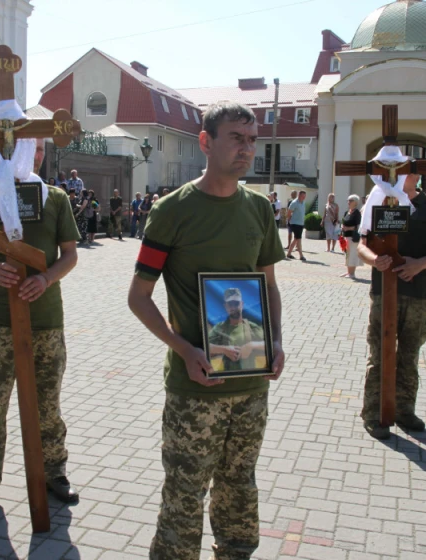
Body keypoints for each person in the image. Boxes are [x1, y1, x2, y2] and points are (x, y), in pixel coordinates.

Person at [128, 101, 285, 560]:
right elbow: (138, 297)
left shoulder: (258, 209)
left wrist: (274, 341)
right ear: (206, 141)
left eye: (252, 140)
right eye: (236, 138)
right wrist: (183, 350)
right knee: (183, 496)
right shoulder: (171, 211)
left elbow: (269, 286)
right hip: (195, 388)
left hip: (251, 383)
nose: (247, 149)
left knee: (240, 486)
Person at [0, 139, 81, 518]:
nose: (35, 155)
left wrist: (45, 280)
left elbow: (70, 255)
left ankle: (54, 472)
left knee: (48, 406)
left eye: (40, 148)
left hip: (46, 322)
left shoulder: (56, 198)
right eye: (28, 147)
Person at [357, 173, 426, 440]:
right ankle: (374, 414)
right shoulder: (379, 201)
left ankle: (404, 410)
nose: (402, 176)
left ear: (418, 176)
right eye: (396, 171)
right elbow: (362, 245)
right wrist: (374, 260)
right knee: (378, 353)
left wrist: (419, 264)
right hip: (383, 293)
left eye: (407, 171)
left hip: (419, 293)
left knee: (409, 354)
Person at [208, 288, 266, 372]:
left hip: (249, 377)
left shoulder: (251, 327)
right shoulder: (219, 328)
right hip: (226, 378)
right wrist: (224, 349)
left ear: (242, 304)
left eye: (236, 304)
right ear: (225, 306)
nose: (233, 308)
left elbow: (268, 345)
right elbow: (205, 348)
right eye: (230, 304)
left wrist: (251, 345)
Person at [340, 194, 362, 279]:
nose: (348, 202)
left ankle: (352, 273)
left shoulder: (357, 213)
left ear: (355, 202)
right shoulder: (347, 212)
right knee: (347, 255)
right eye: (348, 200)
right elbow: (343, 221)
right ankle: (348, 272)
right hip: (345, 237)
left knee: (352, 255)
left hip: (353, 237)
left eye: (351, 200)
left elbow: (358, 226)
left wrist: (348, 228)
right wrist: (342, 226)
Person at [286, 190, 307, 261]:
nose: (304, 198)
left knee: (296, 239)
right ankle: (301, 255)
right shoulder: (294, 203)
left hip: (301, 223)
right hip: (295, 223)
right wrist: (290, 220)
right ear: (299, 195)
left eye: (304, 196)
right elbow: (289, 212)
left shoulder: (303, 202)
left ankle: (288, 253)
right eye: (302, 196)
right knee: (298, 239)